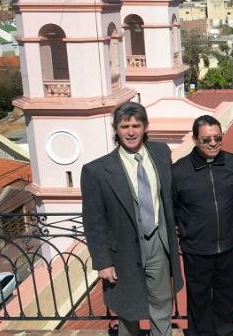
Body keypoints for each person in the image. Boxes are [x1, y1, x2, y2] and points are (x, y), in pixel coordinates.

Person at [81, 102, 182, 336]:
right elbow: (93, 222)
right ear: (115, 129)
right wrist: (102, 262)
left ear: (146, 127)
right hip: (123, 251)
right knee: (128, 311)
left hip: (158, 242)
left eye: (136, 125)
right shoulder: (96, 171)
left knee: (161, 304)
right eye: (124, 126)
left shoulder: (161, 152)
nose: (131, 131)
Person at [172, 115, 233, 336]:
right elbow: (172, 208)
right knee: (199, 301)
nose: (213, 143)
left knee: (227, 299)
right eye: (206, 139)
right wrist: (184, 232)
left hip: (229, 247)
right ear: (195, 140)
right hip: (197, 249)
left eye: (217, 138)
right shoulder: (178, 171)